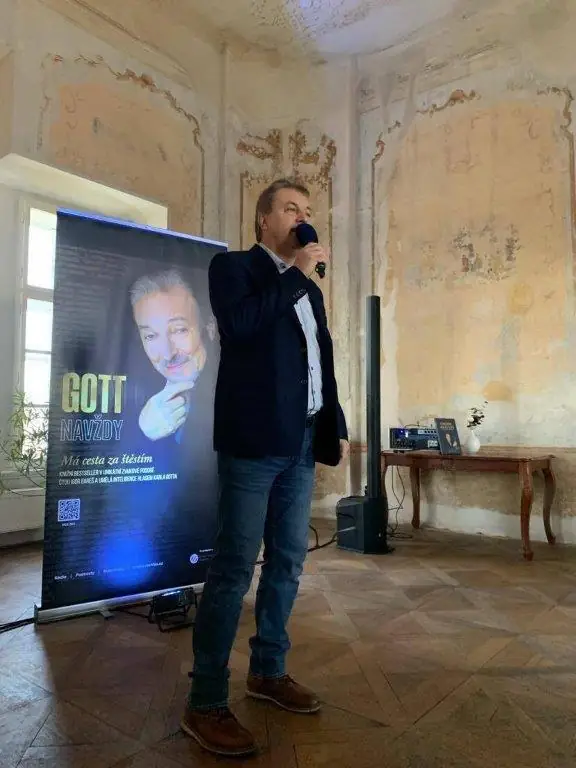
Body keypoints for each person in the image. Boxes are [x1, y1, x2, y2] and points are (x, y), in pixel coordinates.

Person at [180, 178, 349, 757]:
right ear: (264, 221)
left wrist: (335, 423)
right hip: (253, 445)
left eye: (307, 210)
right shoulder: (232, 269)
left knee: (289, 561)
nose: (302, 217)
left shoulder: (309, 292)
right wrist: (296, 273)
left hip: (300, 442)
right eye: (290, 209)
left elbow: (320, 361)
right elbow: (241, 327)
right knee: (233, 567)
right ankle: (205, 700)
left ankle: (268, 670)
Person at [129, 268, 216, 443]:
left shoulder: (240, 393)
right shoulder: (133, 396)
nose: (168, 354)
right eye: (150, 336)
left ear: (209, 328)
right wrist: (145, 433)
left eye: (179, 330)